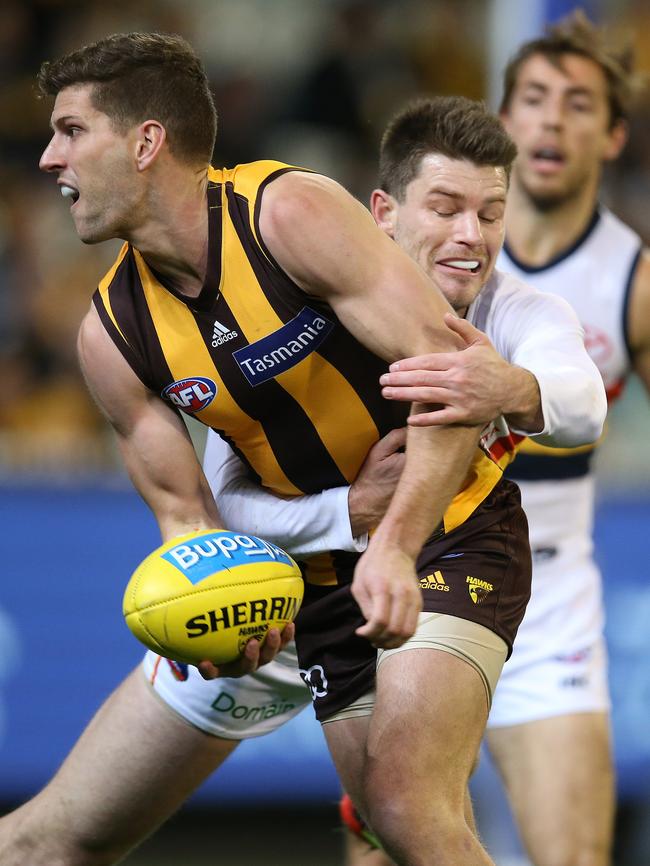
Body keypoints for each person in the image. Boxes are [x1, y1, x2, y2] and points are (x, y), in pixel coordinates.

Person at [0, 51, 604, 866]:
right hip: (307, 583)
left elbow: (451, 384)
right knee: (49, 843)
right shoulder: (111, 337)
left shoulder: (289, 215)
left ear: (146, 142)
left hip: (449, 535)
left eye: (71, 131)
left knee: (405, 805)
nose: (49, 157)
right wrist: (221, 617)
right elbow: (192, 521)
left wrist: (390, 542)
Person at [357, 11, 650, 866]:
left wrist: (514, 389)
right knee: (398, 832)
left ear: (613, 135)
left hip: (547, 580)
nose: (552, 120)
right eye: (533, 100)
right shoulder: (411, 256)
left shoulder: (625, 284)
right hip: (403, 562)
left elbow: (579, 397)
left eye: (577, 105)